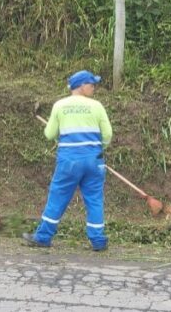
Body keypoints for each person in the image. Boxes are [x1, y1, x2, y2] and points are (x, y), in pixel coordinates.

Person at [23, 70, 113, 251]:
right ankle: (98, 241)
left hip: (69, 161)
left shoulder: (60, 105)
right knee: (94, 199)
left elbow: (49, 134)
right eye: (92, 84)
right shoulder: (97, 106)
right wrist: (97, 148)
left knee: (57, 197)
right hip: (94, 160)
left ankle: (43, 237)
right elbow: (108, 135)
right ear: (81, 86)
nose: (94, 87)